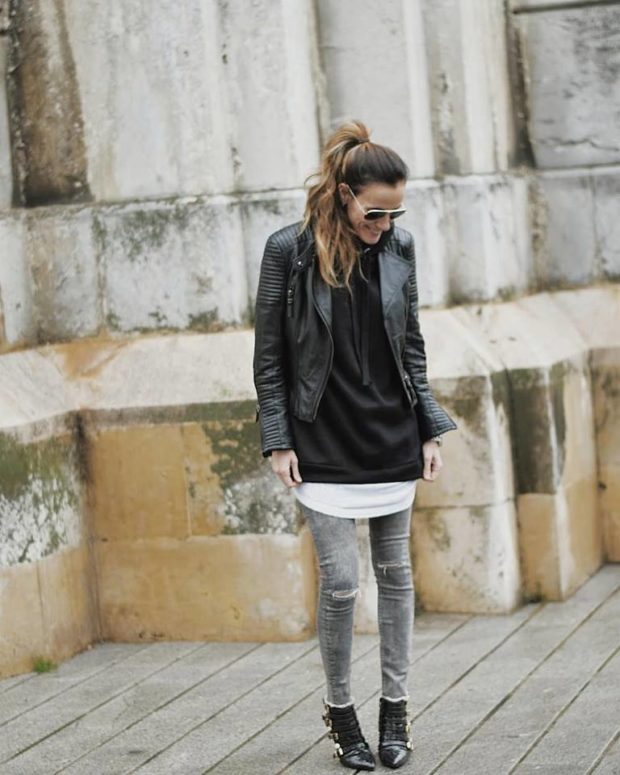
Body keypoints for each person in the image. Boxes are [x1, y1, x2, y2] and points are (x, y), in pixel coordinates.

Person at [253, 120, 457, 771]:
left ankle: (395, 710)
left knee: (395, 576)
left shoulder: (400, 247)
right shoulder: (288, 251)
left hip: (391, 433)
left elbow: (411, 343)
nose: (385, 224)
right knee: (341, 582)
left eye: (395, 212)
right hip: (322, 436)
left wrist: (427, 426)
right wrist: (278, 439)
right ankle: (341, 712)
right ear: (344, 195)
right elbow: (269, 356)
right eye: (374, 213)